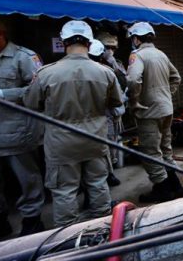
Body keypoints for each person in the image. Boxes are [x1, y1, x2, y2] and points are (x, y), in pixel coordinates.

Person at [25, 20, 123, 227]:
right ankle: (102, 233)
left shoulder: (46, 73)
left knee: (64, 191)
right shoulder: (105, 72)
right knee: (98, 185)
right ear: (89, 43)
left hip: (61, 143)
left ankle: (69, 241)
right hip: (95, 139)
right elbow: (116, 102)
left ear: (64, 42)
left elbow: (31, 103)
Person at [0, 16, 45, 238]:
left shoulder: (24, 57)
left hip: (17, 133)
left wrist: (3, 94)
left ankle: (31, 218)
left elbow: (38, 91)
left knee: (27, 179)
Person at [126, 22, 182, 203]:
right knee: (165, 149)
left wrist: (135, 101)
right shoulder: (161, 54)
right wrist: (166, 95)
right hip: (166, 109)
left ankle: (163, 192)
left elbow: (134, 79)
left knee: (151, 153)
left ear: (136, 38)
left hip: (149, 112)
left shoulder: (138, 55)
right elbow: (177, 77)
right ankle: (176, 187)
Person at [89, 40, 124, 188]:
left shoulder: (59, 70)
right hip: (103, 117)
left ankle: (106, 175)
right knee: (106, 148)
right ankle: (107, 176)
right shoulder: (106, 71)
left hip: (82, 123)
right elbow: (118, 98)